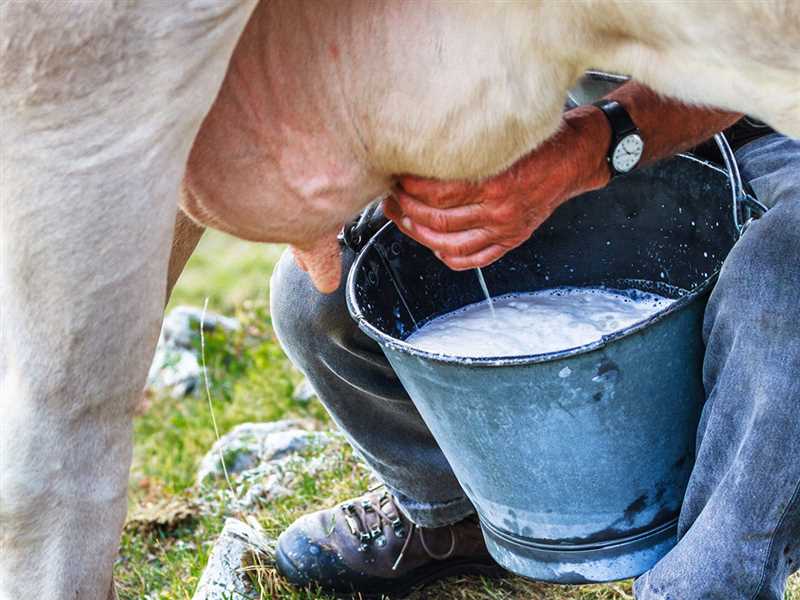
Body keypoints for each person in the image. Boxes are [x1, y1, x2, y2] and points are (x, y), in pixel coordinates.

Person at [269, 78, 800, 599]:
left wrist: (588, 149)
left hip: (779, 124)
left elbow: (773, 53)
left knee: (777, 289)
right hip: (588, 107)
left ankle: (709, 583)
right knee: (319, 295)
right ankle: (461, 512)